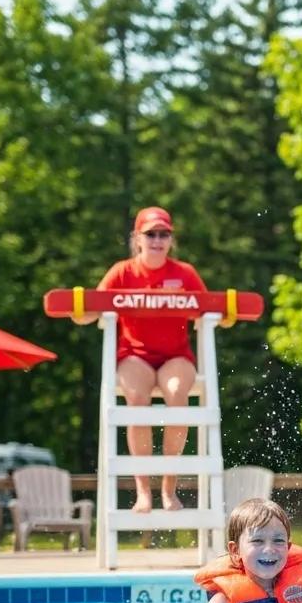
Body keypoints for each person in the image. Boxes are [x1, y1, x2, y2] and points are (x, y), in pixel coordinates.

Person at [96, 206, 206, 513]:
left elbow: (210, 311)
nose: (157, 239)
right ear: (137, 238)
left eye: (164, 234)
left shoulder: (184, 273)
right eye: (151, 233)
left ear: (171, 239)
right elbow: (92, 308)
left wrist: (225, 317)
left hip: (175, 356)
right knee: (137, 398)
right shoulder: (122, 272)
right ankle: (143, 491)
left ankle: (169, 488)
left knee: (177, 396)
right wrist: (80, 310)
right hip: (134, 355)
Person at [194, 498, 302, 603]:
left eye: (278, 541)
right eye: (257, 541)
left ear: (288, 548)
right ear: (235, 550)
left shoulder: (298, 593)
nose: (269, 549)